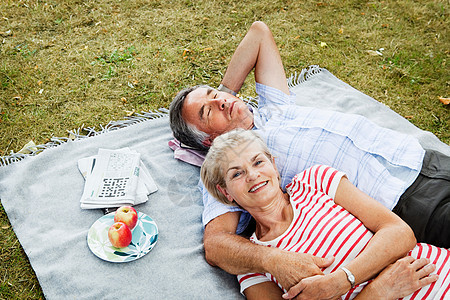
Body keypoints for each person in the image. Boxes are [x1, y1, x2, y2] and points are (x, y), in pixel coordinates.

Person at [169, 21, 450, 292]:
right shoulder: (233, 163)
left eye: (213, 93)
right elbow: (216, 245)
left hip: (418, 157)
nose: (219, 101)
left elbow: (259, 33)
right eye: (208, 112)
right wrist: (273, 260)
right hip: (407, 202)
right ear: (209, 140)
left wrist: (225, 99)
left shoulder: (272, 107)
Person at [200, 129, 449, 300]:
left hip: (437, 270)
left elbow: (400, 233)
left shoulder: (314, 181)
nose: (253, 175)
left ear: (274, 166)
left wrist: (340, 282)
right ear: (226, 193)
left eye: (258, 162)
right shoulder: (251, 265)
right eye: (237, 174)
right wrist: (378, 292)